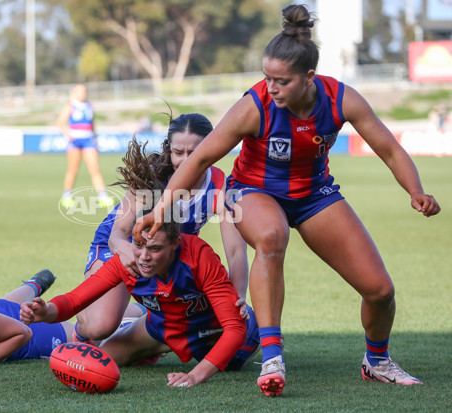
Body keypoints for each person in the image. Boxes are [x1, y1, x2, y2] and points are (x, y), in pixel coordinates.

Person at [133, 4, 441, 397]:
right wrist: (161, 210)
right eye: (267, 78)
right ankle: (273, 355)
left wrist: (415, 191)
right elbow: (202, 158)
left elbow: (390, 150)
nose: (271, 87)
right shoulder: (255, 104)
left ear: (309, 77)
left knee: (380, 290)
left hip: (314, 195)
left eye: (281, 80)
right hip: (252, 191)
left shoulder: (340, 99)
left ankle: (377, 361)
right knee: (272, 237)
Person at [20, 214, 260, 387]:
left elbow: (234, 329)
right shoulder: (128, 261)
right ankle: (139, 332)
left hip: (212, 330)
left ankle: (268, 337)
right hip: (163, 327)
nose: (143, 257)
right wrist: (48, 311)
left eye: (155, 249)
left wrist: (195, 376)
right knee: (104, 362)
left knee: (231, 363)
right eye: (138, 245)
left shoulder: (198, 256)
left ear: (176, 243)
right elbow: (75, 299)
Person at [74, 114, 249, 346]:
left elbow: (236, 251)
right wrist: (126, 252)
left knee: (194, 318)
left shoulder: (221, 186)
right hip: (121, 245)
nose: (186, 160)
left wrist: (236, 300)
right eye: (178, 152)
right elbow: (118, 233)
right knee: (100, 327)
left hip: (165, 254)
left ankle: (137, 320)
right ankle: (80, 330)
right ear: (169, 149)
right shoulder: (152, 175)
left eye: (194, 152)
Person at [56, 84, 113, 209]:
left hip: (88, 140)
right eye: (81, 91)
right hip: (75, 141)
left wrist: (95, 137)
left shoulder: (90, 106)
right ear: (75, 93)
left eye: (85, 91)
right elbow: (60, 123)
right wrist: (68, 135)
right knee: (73, 169)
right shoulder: (70, 105)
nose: (84, 93)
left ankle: (102, 196)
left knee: (95, 169)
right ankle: (67, 196)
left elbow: (92, 124)